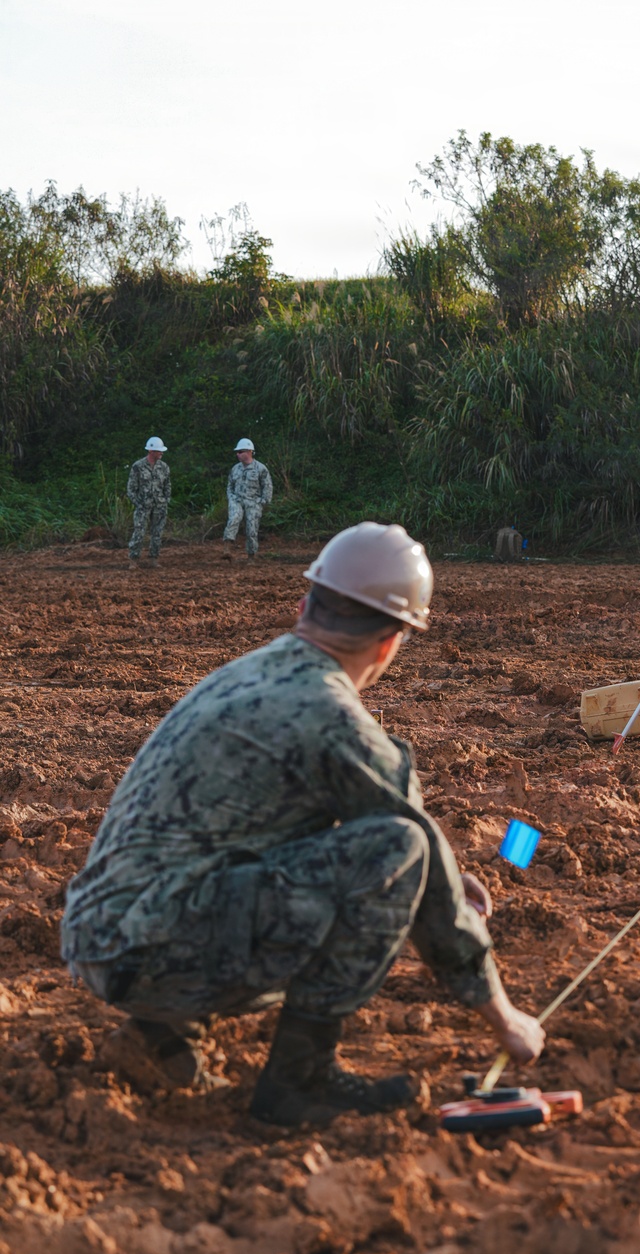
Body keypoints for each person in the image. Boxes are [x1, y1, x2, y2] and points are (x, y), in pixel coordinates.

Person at [61, 522, 545, 1127]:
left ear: (304, 605)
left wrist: (438, 870)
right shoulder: (335, 717)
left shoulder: (243, 675)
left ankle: (159, 1035)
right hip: (156, 955)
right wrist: (506, 1019)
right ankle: (299, 1081)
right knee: (399, 848)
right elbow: (406, 845)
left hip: (99, 940)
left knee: (375, 850)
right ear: (390, 642)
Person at [223, 438, 273, 562]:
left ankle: (251, 556)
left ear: (249, 452)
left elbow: (267, 486)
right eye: (237, 452)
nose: (238, 454)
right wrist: (231, 498)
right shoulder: (235, 469)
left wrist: (264, 501)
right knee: (234, 518)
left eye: (241, 452)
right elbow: (230, 485)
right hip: (237, 500)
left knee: (252, 529)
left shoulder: (261, 468)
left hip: (253, 502)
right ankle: (227, 549)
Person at [127, 437, 171, 569]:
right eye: (159, 451)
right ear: (151, 451)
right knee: (139, 532)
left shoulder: (164, 467)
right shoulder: (138, 466)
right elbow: (131, 488)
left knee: (157, 533)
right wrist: (138, 503)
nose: (162, 453)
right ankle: (133, 560)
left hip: (159, 506)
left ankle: (154, 559)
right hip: (143, 507)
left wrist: (165, 501)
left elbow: (167, 486)